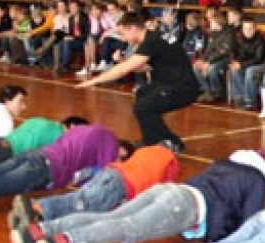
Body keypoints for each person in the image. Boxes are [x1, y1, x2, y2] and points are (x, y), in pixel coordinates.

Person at [25, 149, 265, 243]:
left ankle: (42, 231)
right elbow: (250, 226)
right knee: (127, 228)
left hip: (169, 191)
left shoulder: (226, 164)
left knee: (111, 217)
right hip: (182, 206)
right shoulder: (258, 180)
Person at [77, 13, 199, 154]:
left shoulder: (152, 41)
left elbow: (124, 70)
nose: (124, 38)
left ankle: (173, 143)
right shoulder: (153, 37)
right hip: (170, 83)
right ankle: (151, 139)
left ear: (133, 28)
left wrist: (94, 80)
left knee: (143, 108)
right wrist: (123, 61)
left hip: (181, 87)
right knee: (142, 94)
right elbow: (144, 67)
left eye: (123, 33)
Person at [228, 16, 265, 109]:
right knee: (234, 69)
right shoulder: (239, 38)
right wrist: (234, 61)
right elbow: (233, 52)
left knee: (249, 71)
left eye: (250, 28)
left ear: (255, 29)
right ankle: (239, 97)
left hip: (261, 64)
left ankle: (250, 101)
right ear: (242, 29)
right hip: (246, 64)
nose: (247, 31)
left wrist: (241, 64)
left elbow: (258, 59)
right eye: (245, 28)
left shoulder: (260, 40)